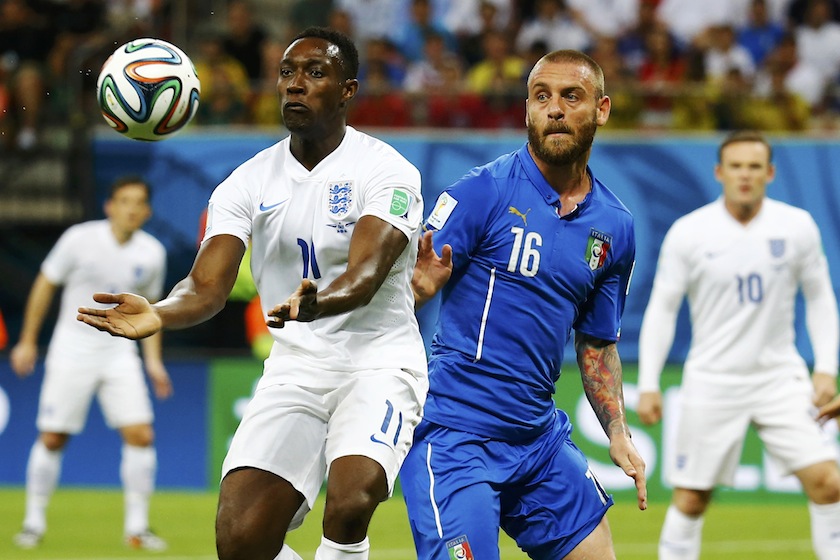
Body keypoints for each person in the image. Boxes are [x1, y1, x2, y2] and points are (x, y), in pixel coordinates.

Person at [78, 27, 428, 560]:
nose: (295, 84)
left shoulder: (388, 171)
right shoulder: (244, 183)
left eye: (315, 73)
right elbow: (205, 286)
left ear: (347, 90)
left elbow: (365, 275)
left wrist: (319, 302)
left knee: (351, 499)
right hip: (296, 368)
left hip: (379, 363)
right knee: (239, 539)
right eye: (287, 72)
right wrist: (161, 312)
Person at [402, 49, 647, 560]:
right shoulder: (482, 191)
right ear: (527, 110)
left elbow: (597, 342)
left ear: (601, 109)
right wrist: (414, 288)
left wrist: (617, 431)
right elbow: (406, 284)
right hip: (457, 437)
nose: (555, 108)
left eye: (570, 96)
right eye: (542, 97)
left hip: (537, 439)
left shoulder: (615, 227)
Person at [637, 130, 840, 560]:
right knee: (691, 498)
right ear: (719, 172)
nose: (744, 175)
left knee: (829, 481)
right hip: (712, 381)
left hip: (780, 378)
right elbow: (663, 308)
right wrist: (650, 381)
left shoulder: (796, 226)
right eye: (735, 166)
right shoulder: (690, 232)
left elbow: (821, 297)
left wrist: (825, 366)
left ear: (769, 173)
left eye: (753, 167)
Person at [9, 176, 171, 551]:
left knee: (142, 435)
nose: (131, 208)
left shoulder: (152, 253)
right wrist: (28, 341)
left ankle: (137, 528)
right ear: (109, 206)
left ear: (146, 212)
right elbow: (45, 283)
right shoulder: (78, 239)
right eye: (124, 201)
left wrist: (154, 362)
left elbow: (151, 312)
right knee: (52, 437)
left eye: (138, 203)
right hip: (72, 351)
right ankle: (33, 522)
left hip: (119, 354)